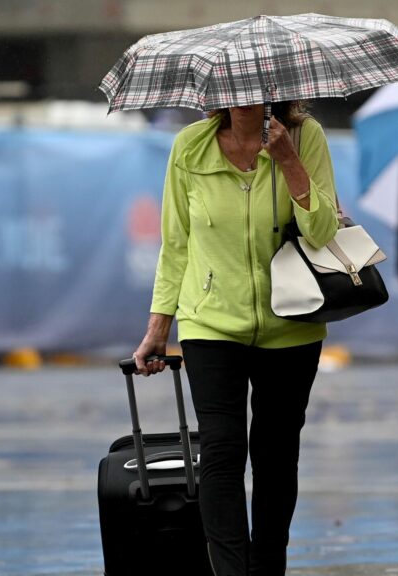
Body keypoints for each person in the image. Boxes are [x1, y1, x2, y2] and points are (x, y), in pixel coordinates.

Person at [132, 101, 339, 575]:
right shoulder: (190, 145)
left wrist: (288, 159)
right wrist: (157, 330)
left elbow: (322, 231)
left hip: (292, 321)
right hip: (210, 323)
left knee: (276, 453)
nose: (244, 94)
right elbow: (176, 243)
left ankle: (268, 568)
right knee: (222, 449)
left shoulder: (306, 137)